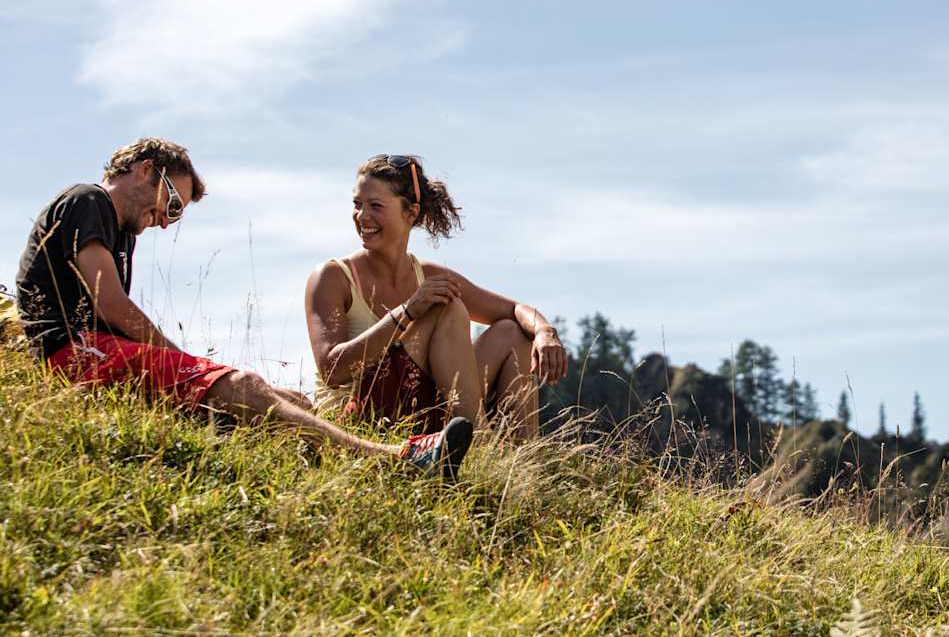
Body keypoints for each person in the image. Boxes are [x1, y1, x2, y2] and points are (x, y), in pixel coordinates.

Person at [14, 139, 472, 480]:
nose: (167, 220)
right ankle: (396, 460)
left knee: (284, 402)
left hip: (99, 352)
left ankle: (337, 465)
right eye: (171, 202)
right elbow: (111, 303)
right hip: (73, 353)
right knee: (244, 387)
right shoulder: (88, 200)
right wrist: (190, 364)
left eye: (177, 214)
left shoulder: (119, 233)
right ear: (144, 170)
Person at [305, 154, 567, 441]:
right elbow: (333, 370)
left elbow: (515, 309)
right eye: (357, 204)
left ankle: (523, 466)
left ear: (411, 213)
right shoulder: (333, 276)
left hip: (420, 410)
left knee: (511, 333)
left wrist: (545, 331)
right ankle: (480, 444)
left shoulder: (426, 275)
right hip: (355, 427)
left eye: (375, 206)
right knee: (446, 306)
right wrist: (407, 313)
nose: (362, 216)